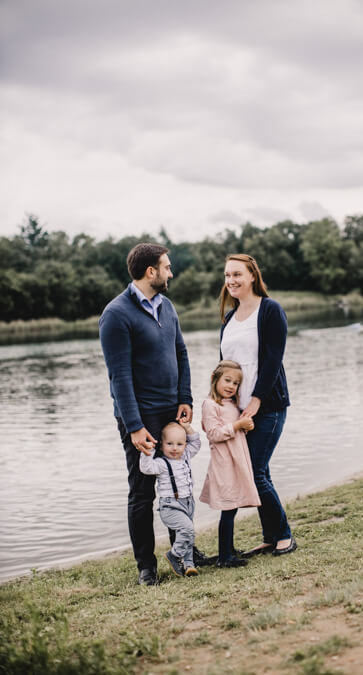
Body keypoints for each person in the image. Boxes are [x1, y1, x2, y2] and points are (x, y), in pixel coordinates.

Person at [99, 242, 205, 586]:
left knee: (178, 482)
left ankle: (183, 550)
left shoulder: (167, 306)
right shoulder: (116, 314)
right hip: (140, 417)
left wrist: (185, 398)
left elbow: (182, 353)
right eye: (167, 267)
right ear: (151, 272)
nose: (170, 273)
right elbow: (120, 376)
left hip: (171, 412)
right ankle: (146, 565)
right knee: (143, 491)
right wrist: (133, 425)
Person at [219, 253, 297, 557]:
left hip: (268, 406)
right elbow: (224, 367)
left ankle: (285, 536)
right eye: (227, 276)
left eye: (237, 274)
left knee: (255, 470)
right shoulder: (229, 318)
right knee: (255, 470)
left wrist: (256, 400)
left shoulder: (270, 311)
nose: (232, 281)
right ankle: (271, 536)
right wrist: (222, 405)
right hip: (238, 411)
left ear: (253, 276)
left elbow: (272, 361)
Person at [200, 360, 261, 568]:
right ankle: (224, 556)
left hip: (237, 461)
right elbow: (214, 433)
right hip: (224, 463)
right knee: (228, 508)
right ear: (214, 379)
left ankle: (229, 549)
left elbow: (235, 429)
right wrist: (237, 425)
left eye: (235, 383)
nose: (231, 386)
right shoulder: (210, 404)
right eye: (227, 380)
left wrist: (245, 426)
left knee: (233, 507)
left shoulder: (232, 404)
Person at [139, 419, 201, 577]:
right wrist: (149, 450)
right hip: (170, 506)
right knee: (187, 529)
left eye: (179, 444)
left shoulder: (186, 456)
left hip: (188, 502)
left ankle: (189, 565)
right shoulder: (161, 463)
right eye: (170, 444)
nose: (175, 448)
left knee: (189, 535)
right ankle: (174, 555)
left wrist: (187, 427)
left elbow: (196, 443)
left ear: (185, 445)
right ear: (162, 445)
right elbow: (146, 468)